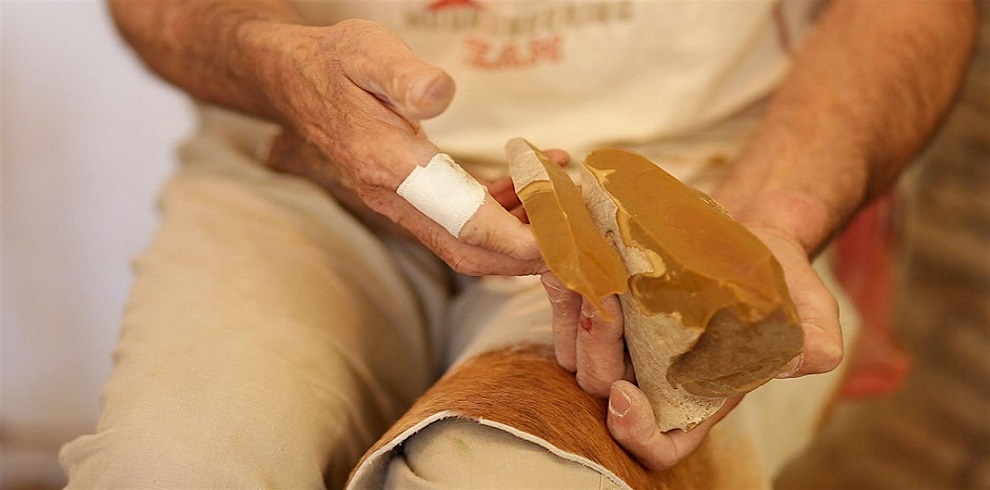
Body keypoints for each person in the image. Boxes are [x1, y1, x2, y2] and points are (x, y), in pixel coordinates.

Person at [60, 0, 976, 488]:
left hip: (694, 179)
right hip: (305, 154)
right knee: (172, 469)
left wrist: (765, 224)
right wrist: (277, 64)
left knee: (515, 483)